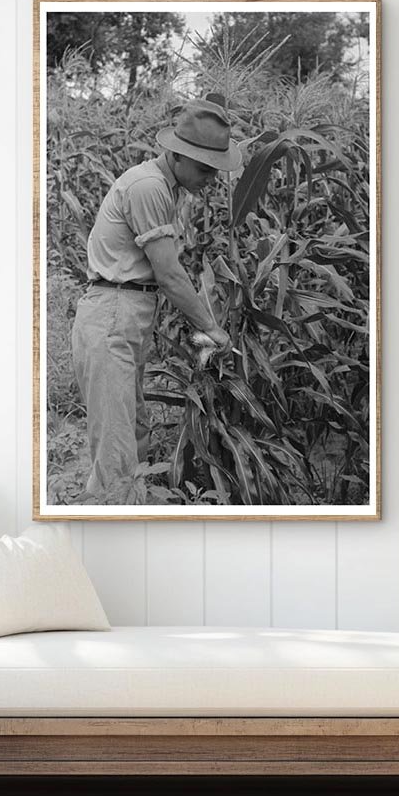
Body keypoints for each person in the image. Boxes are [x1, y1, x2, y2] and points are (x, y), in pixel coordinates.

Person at [71, 100, 243, 502]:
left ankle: (124, 514)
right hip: (113, 314)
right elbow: (168, 274)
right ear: (178, 156)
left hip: (126, 315)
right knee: (117, 452)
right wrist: (212, 327)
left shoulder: (165, 186)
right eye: (204, 169)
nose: (211, 179)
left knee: (132, 434)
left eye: (215, 170)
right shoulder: (148, 188)